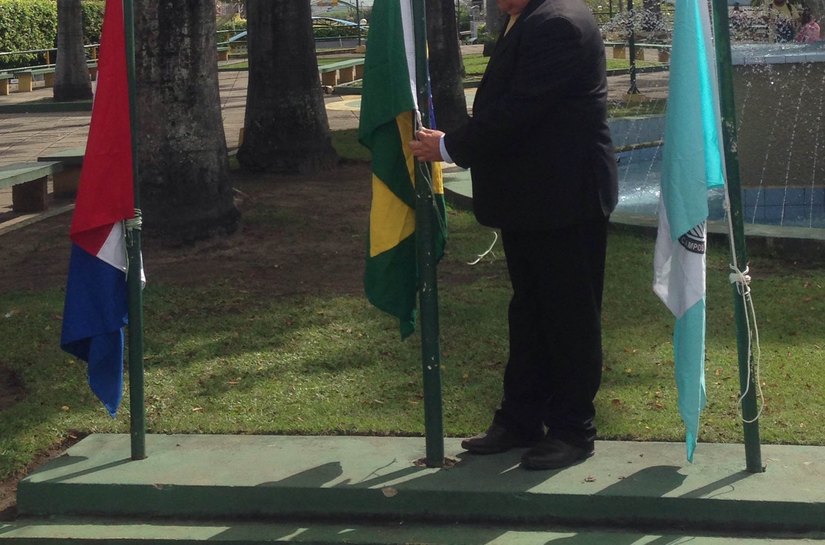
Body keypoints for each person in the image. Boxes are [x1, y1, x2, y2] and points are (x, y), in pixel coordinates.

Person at [409, 0, 617, 470]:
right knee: (530, 311)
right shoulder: (529, 17)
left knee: (568, 316)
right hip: (535, 199)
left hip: (566, 199)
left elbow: (521, 111)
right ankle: (521, 419)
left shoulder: (557, 23)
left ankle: (572, 429)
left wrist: (448, 146)